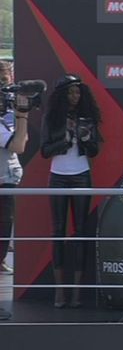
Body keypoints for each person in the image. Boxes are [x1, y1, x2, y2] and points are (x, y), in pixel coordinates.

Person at [40, 74, 102, 308]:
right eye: (70, 92)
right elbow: (44, 151)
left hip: (81, 175)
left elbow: (94, 151)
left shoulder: (87, 117)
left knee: (81, 231)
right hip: (57, 177)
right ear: (61, 96)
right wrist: (65, 141)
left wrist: (85, 140)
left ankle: (76, 292)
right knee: (58, 231)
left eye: (77, 92)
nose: (75, 96)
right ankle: (59, 291)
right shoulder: (52, 118)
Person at [0, 60, 31, 320]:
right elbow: (18, 145)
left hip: (7, 179)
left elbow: (22, 140)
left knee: (3, 239)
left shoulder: (6, 114)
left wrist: (19, 115)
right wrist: (23, 115)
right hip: (2, 181)